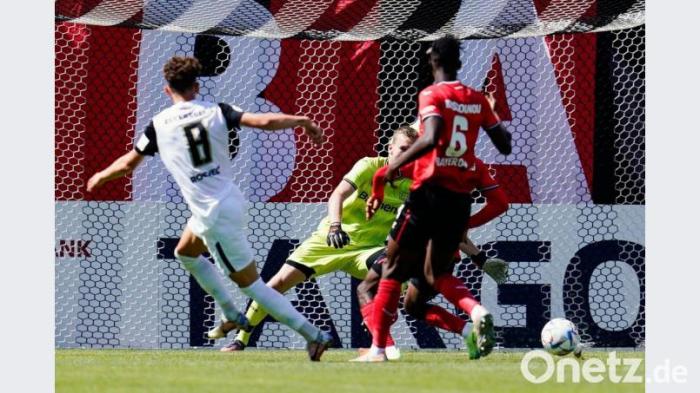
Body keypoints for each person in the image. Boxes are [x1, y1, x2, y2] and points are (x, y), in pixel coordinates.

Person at [86, 56, 332, 361]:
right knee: (185, 252)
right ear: (196, 86)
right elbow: (264, 121)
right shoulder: (216, 110)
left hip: (213, 214)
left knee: (253, 287)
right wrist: (302, 120)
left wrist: (99, 175)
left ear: (167, 90)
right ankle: (230, 312)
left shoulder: (158, 125)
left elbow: (127, 164)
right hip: (226, 200)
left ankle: (314, 335)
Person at [352, 35, 512, 362]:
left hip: (428, 193)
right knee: (437, 276)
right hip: (459, 200)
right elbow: (505, 144)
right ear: (460, 62)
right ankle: (476, 312)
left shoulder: (431, 94)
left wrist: (390, 169)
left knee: (392, 270)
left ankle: (380, 350)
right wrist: (487, 117)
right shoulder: (477, 100)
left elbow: (432, 136)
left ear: (432, 58)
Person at [220, 126, 418, 358]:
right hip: (330, 241)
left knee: (396, 275)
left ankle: (378, 334)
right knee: (275, 285)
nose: (407, 156)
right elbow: (338, 194)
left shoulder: (415, 181)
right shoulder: (370, 166)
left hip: (368, 249)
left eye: (413, 151)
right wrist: (335, 225)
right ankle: (241, 339)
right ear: (390, 148)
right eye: (403, 149)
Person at [356, 157, 509, 359]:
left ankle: (383, 349)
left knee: (370, 285)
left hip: (412, 234)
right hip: (445, 243)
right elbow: (499, 203)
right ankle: (470, 325)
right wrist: (477, 251)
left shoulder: (424, 159)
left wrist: (377, 190)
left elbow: (384, 174)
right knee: (415, 304)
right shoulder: (473, 165)